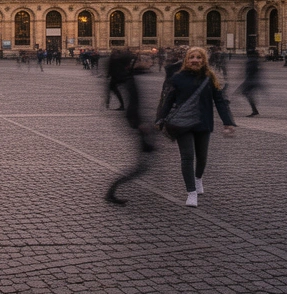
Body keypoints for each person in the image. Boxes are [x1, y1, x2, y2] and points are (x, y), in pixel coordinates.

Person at [156, 47, 236, 207]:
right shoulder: (177, 78)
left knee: (202, 157)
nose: (195, 60)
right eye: (191, 57)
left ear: (203, 60)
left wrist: (228, 121)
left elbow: (220, 101)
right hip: (182, 123)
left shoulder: (210, 78)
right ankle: (191, 192)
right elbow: (169, 100)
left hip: (202, 122)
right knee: (187, 157)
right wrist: (160, 118)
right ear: (186, 60)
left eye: (198, 57)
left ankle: (198, 178)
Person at [105, 51, 155, 205]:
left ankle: (112, 192)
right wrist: (139, 124)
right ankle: (111, 192)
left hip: (138, 123)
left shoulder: (128, 76)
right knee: (141, 166)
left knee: (146, 161)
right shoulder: (129, 79)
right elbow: (133, 105)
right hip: (138, 124)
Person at [238, 50, 264, 117]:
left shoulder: (251, 62)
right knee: (246, 93)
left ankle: (254, 110)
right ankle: (254, 109)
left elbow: (250, 72)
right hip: (252, 81)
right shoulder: (255, 61)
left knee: (246, 93)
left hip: (251, 81)